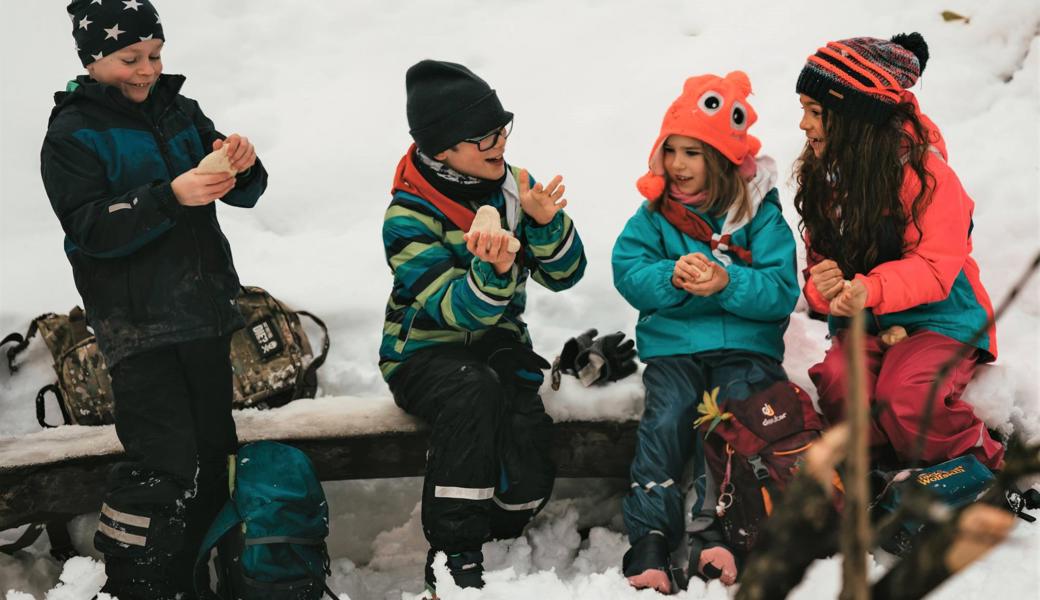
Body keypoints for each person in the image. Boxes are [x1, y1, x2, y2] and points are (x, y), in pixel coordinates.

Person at [41, 2, 267, 597]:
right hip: (137, 328)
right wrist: (171, 196)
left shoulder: (179, 109)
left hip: (204, 315)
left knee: (215, 453)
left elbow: (247, 194)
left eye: (156, 55)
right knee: (161, 463)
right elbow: (90, 228)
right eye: (130, 58)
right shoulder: (71, 134)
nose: (147, 70)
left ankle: (208, 575)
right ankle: (138, 585)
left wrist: (242, 168)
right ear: (93, 60)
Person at [380, 59, 587, 596]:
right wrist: (492, 271)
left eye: (502, 129)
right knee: (472, 394)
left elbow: (567, 275)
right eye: (483, 137)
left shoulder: (516, 188)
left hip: (497, 349)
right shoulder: (408, 215)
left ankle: (505, 530)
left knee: (522, 433)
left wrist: (545, 223)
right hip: (423, 358)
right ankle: (455, 553)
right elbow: (454, 309)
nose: (499, 144)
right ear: (442, 148)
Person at [612, 71, 799, 593]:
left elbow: (780, 290)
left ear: (720, 159)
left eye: (692, 152)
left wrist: (727, 282)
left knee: (733, 418)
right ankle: (650, 533)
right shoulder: (652, 217)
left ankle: (717, 530)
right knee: (668, 416)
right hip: (675, 351)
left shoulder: (759, 218)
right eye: (670, 150)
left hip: (745, 351)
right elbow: (628, 269)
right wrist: (668, 276)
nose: (677, 165)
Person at [794, 33, 1004, 470]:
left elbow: (934, 267)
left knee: (907, 392)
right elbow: (819, 268)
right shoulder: (826, 178)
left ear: (855, 120)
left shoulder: (929, 177)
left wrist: (868, 289)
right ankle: (880, 468)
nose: (803, 125)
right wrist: (823, 287)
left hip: (940, 318)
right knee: (839, 382)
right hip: (864, 320)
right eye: (803, 111)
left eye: (815, 113)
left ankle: (973, 466)